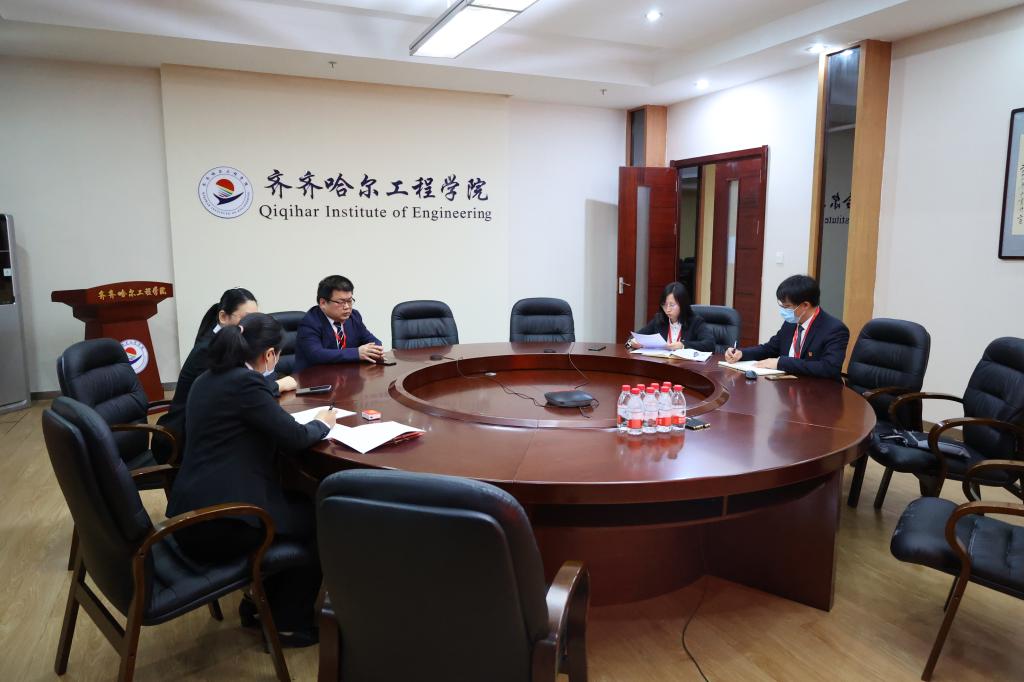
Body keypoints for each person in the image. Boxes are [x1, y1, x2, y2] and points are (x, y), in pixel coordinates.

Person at [166, 313, 336, 645]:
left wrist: (272, 388)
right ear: (270, 355)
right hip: (221, 523)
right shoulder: (246, 385)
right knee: (319, 518)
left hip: (189, 513)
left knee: (296, 503)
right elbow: (296, 437)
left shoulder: (209, 378)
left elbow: (249, 398)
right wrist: (323, 422)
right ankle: (288, 623)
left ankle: (260, 603)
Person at [153, 288, 296, 463]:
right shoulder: (210, 350)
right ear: (223, 317)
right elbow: (235, 390)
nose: (252, 325)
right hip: (186, 439)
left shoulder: (228, 344)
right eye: (246, 319)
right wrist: (278, 385)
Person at [724, 274, 849, 380]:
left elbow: (829, 368)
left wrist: (781, 362)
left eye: (787, 307)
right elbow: (770, 348)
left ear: (805, 305)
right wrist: (742, 354)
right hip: (787, 387)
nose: (783, 311)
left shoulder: (834, 329)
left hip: (819, 392)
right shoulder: (791, 322)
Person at [293, 275, 384, 372]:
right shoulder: (310, 322)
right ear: (323, 303)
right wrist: (356, 353)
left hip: (345, 375)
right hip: (313, 377)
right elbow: (316, 354)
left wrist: (375, 349)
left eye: (349, 301)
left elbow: (371, 340)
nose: (347, 307)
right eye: (341, 302)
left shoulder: (354, 316)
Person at [626, 281, 716, 352]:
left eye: (672, 305)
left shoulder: (695, 321)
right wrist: (631, 343)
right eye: (664, 305)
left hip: (685, 367)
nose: (667, 309)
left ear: (682, 304)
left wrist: (683, 345)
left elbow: (710, 345)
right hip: (662, 365)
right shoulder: (659, 320)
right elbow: (632, 339)